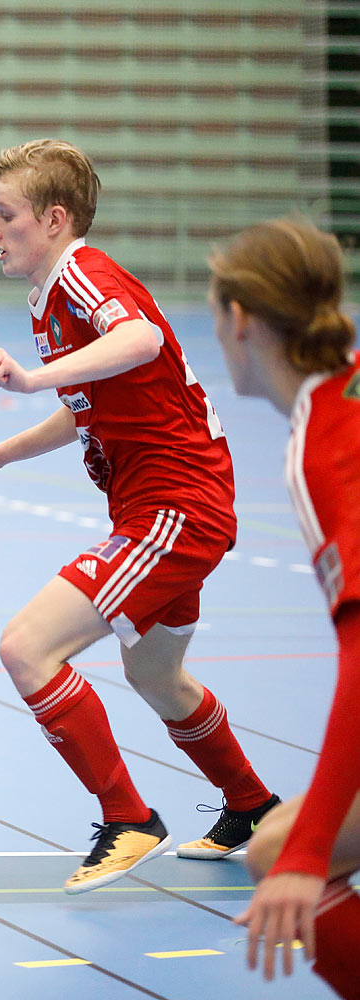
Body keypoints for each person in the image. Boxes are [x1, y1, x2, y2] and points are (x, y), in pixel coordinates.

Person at [0, 139, 279, 893]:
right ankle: (251, 806)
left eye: (4, 214)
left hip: (175, 508)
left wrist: (30, 378)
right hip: (165, 506)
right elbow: (90, 403)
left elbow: (139, 337)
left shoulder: (82, 271)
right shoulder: (48, 298)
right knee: (155, 673)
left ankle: (129, 820)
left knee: (26, 647)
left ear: (54, 219)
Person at [207, 218, 360, 997]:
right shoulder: (345, 392)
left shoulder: (324, 447)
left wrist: (308, 858)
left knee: (286, 852)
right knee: (273, 844)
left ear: (240, 321)